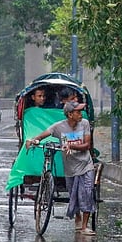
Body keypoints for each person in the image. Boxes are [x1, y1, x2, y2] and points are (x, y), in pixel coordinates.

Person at [24, 100, 96, 233]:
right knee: (73, 194)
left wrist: (71, 145)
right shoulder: (59, 127)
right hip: (70, 168)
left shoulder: (85, 124)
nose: (81, 114)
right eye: (78, 112)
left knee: (87, 193)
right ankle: (77, 217)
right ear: (70, 114)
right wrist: (34, 140)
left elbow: (87, 145)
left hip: (86, 165)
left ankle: (85, 226)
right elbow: (44, 134)